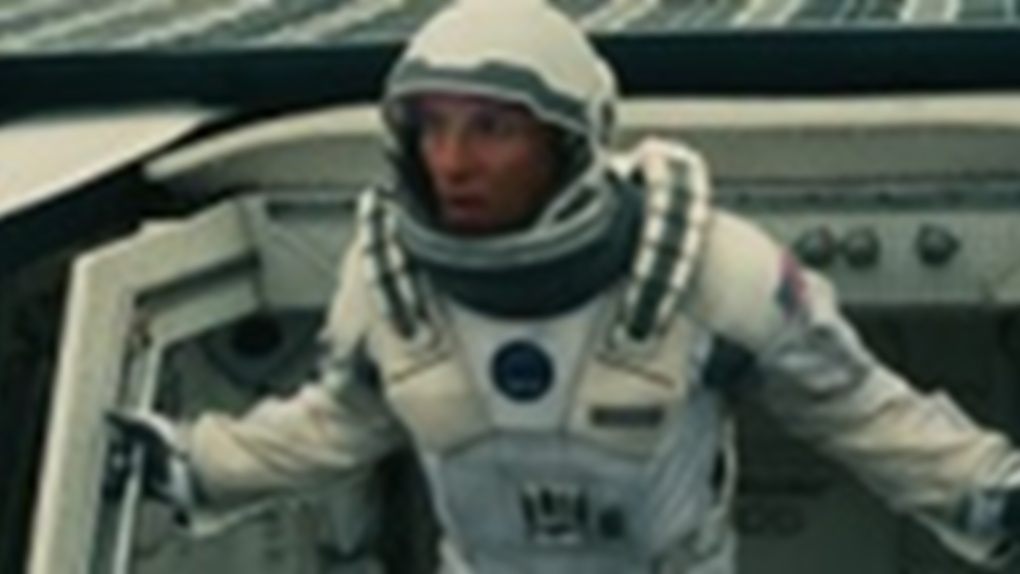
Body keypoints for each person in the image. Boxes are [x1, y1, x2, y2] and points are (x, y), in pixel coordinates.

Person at [110, 0, 1020, 572]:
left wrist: (987, 494)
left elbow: (860, 412)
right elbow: (336, 423)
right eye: (433, 128)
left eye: (492, 129)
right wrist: (196, 468)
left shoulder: (712, 268)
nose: (452, 161)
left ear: (571, 140)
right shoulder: (387, 282)